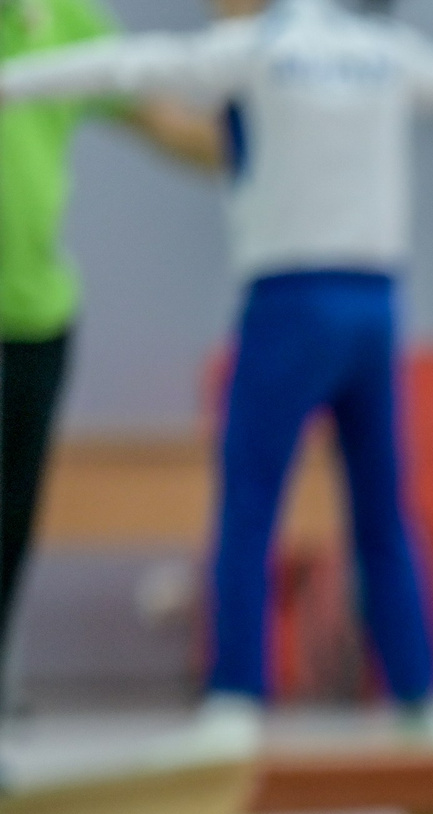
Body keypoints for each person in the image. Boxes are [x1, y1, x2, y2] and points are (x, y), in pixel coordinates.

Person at [0, 0, 433, 755]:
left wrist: (8, 83)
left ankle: (235, 701)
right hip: (376, 308)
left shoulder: (256, 49)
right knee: (381, 511)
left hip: (287, 305)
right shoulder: (382, 50)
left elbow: (119, 68)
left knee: (249, 503)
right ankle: (424, 702)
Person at [1, 0, 217, 721]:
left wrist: (267, 140)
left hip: (39, 316)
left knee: (12, 520)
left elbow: (169, 124)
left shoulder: (70, 26)